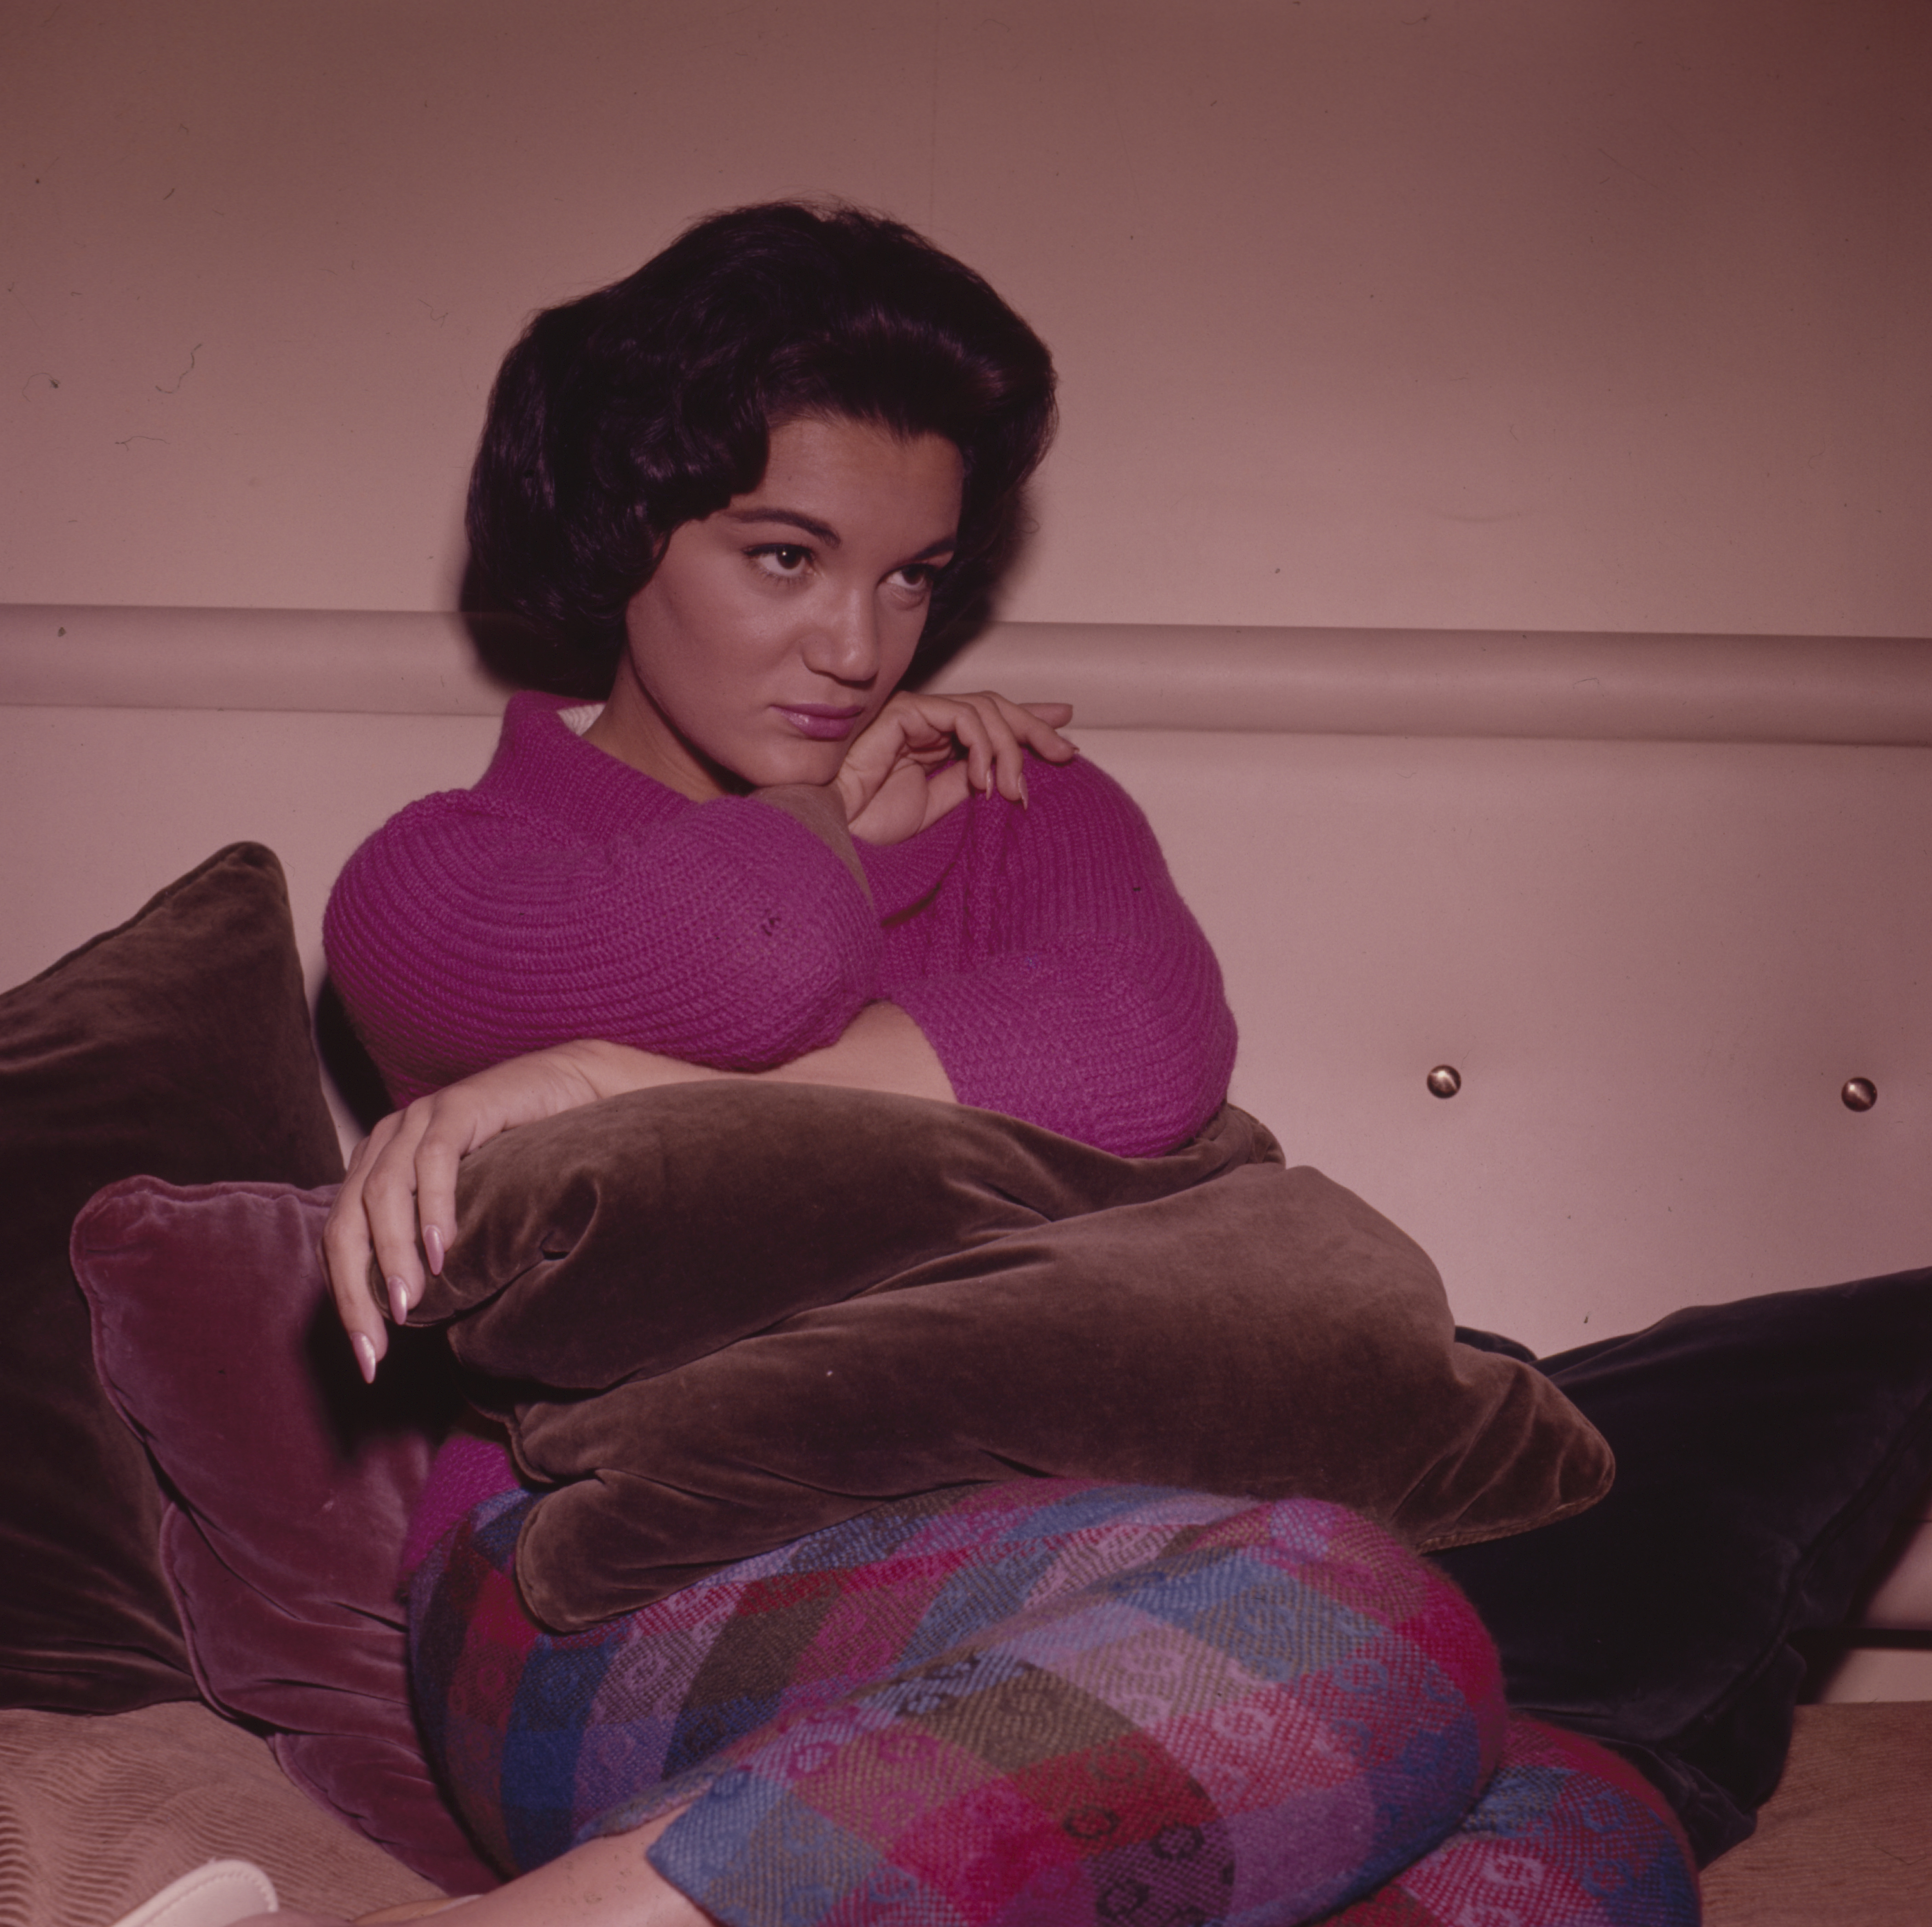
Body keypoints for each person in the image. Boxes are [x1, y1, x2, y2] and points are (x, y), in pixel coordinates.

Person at [315, 203, 1709, 1926]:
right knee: (1336, 1626)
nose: (858, 646)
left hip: (1057, 1563)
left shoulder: (1032, 815)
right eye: (783, 558)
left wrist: (618, 1091)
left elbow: (1146, 1055)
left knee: (1575, 1835)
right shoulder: (443, 877)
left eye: (911, 574)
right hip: (594, 1588)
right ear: (623, 533)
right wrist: (821, 832)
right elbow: (752, 966)